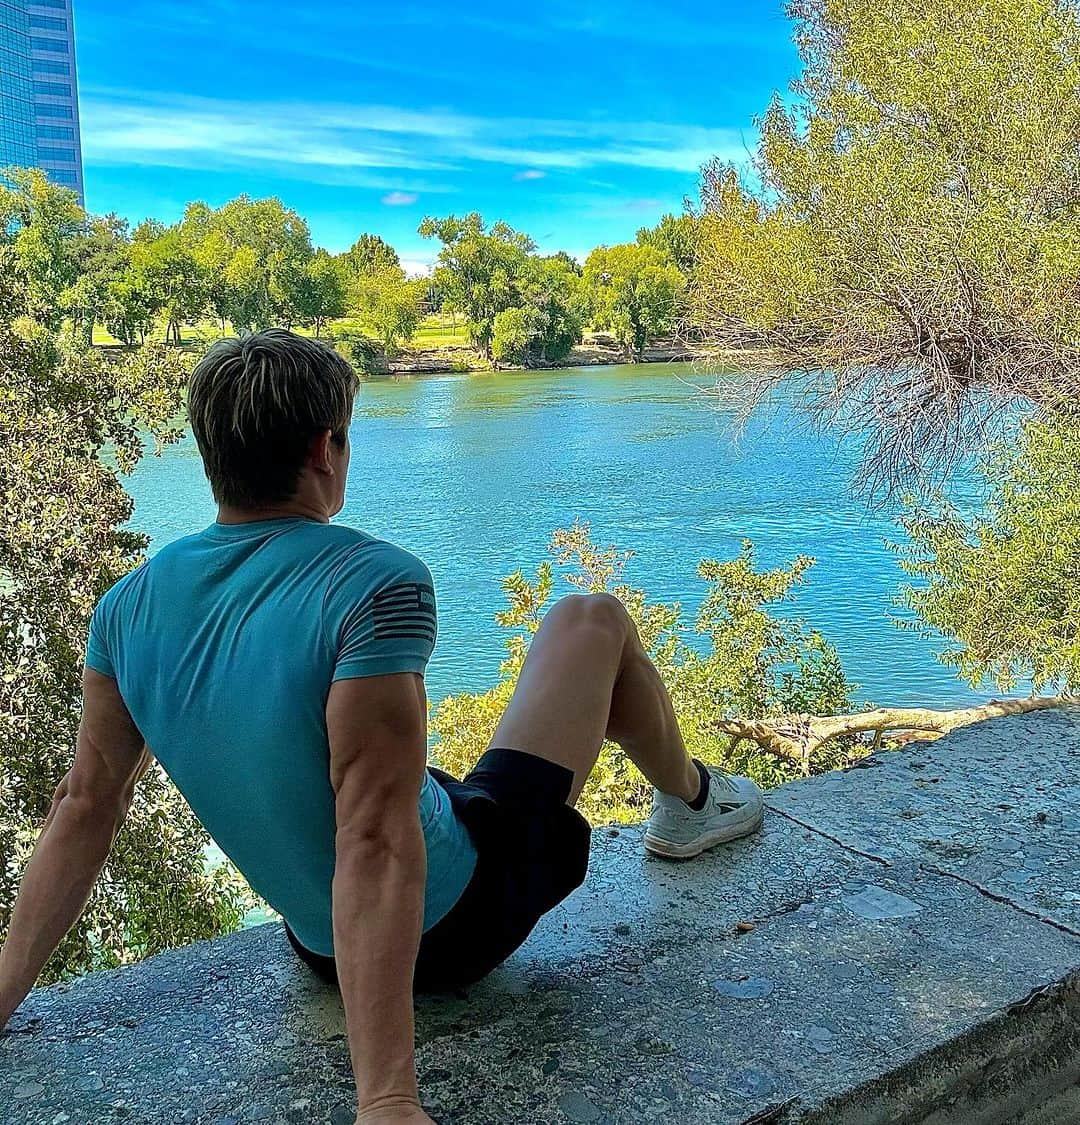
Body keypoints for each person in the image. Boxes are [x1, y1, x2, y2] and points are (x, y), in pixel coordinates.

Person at [0, 330, 764, 1125]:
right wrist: (388, 1100)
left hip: (322, 941)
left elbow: (84, 807)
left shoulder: (125, 608)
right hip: (458, 920)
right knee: (590, 618)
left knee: (441, 782)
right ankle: (693, 800)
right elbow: (374, 835)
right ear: (325, 450)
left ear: (210, 455)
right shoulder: (373, 581)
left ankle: (689, 799)